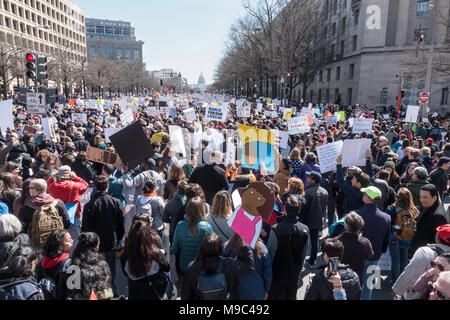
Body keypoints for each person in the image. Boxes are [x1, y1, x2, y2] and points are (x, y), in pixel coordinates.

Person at [81, 175, 125, 296]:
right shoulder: (115, 202)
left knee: (96, 268)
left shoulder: (90, 205)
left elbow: (85, 228)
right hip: (111, 240)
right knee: (111, 268)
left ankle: (100, 290)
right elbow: (121, 222)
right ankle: (110, 288)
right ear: (107, 186)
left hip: (95, 243)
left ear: (95, 187)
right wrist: (120, 237)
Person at [181, 233, 255, 300]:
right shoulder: (228, 264)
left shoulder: (192, 268)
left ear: (202, 248)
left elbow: (185, 295)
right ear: (220, 248)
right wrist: (246, 246)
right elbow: (249, 266)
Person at [266, 195, 309, 300]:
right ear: (299, 210)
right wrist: (298, 271)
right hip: (293, 273)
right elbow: (303, 255)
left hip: (277, 275)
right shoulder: (304, 229)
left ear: (285, 209)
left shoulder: (276, 229)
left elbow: (270, 254)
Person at [393, 225, 450, 300]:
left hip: (416, 295)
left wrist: (395, 291)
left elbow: (409, 274)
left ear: (438, 237)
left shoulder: (425, 252)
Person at [354, 186, 391, 300]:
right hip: (375, 256)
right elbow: (386, 238)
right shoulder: (386, 217)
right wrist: (381, 252)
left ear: (367, 197)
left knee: (354, 283)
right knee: (368, 285)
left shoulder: (356, 214)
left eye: (364, 194)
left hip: (357, 255)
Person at [120, 220, 171, 300]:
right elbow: (167, 268)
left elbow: (125, 273)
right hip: (155, 292)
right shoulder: (156, 253)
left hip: (135, 293)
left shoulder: (125, 255)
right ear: (148, 237)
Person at [59, 233, 113, 300]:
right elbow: (106, 289)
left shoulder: (70, 265)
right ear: (95, 246)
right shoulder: (102, 265)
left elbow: (66, 291)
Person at [18, 179, 70, 248]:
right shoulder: (58, 203)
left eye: (29, 188)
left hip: (35, 245)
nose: (28, 190)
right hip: (55, 243)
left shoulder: (27, 207)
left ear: (35, 189)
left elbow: (22, 229)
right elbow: (67, 223)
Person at [172, 197, 213, 281]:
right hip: (201, 268)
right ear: (202, 209)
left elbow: (174, 249)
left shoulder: (180, 225)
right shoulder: (207, 227)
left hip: (184, 267)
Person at [223, 233, 272, 300]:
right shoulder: (261, 246)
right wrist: (267, 290)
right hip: (257, 291)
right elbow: (267, 272)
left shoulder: (227, 246)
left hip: (235, 292)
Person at [386, 188, 419, 283]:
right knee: (404, 259)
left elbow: (387, 223)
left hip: (395, 239)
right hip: (408, 239)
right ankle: (403, 281)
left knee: (395, 261)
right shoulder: (414, 210)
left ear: (398, 197)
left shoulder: (391, 208)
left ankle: (395, 281)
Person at [335, 212, 374, 285]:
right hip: (356, 279)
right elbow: (370, 255)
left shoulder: (336, 241)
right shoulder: (365, 242)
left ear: (345, 226)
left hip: (338, 278)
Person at [410, 185, 450, 254]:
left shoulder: (438, 215)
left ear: (434, 198)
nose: (422, 200)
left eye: (425, 197)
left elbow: (439, 242)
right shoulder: (428, 207)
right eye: (420, 196)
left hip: (428, 256)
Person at [35, 230, 73, 300]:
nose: (72, 241)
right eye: (68, 240)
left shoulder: (41, 261)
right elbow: (73, 292)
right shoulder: (69, 264)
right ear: (60, 245)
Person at [302, 171, 328, 267]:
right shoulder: (324, 192)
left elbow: (304, 208)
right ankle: (312, 261)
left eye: (309, 177)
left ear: (313, 180)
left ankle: (302, 260)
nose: (307, 178)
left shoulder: (307, 192)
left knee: (304, 241)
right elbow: (324, 207)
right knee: (314, 240)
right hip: (318, 220)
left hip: (307, 220)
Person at [163, 180, 188, 246]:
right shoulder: (190, 202)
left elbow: (165, 219)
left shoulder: (170, 203)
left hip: (173, 230)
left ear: (177, 189)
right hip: (187, 231)